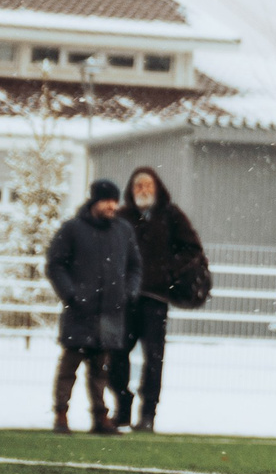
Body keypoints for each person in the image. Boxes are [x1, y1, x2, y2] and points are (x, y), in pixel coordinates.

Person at [46, 179, 141, 436]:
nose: (112, 205)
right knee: (70, 366)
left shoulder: (123, 231)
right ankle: (61, 415)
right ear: (95, 201)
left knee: (101, 369)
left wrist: (129, 292)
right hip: (80, 311)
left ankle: (100, 417)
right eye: (107, 200)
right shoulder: (72, 229)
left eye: (114, 200)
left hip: (110, 312)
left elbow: (135, 266)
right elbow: (56, 265)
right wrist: (71, 294)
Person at [110, 165, 201, 433]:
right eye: (138, 185)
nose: (143, 190)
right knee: (116, 355)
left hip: (155, 298)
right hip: (125, 299)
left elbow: (192, 249)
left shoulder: (170, 216)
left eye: (148, 185)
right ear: (131, 189)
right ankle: (122, 406)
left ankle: (148, 413)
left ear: (157, 187)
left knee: (154, 358)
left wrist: (168, 271)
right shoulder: (122, 217)